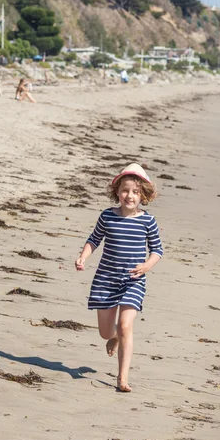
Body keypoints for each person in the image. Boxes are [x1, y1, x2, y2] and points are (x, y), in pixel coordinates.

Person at [75, 163, 163, 392]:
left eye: (135, 191)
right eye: (125, 190)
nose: (129, 195)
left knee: (126, 325)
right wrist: (83, 257)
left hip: (133, 280)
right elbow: (94, 239)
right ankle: (113, 337)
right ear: (117, 192)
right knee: (106, 332)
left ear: (143, 194)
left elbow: (157, 251)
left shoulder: (148, 221)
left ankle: (122, 378)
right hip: (106, 279)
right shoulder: (107, 216)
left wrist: (146, 266)